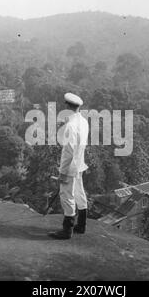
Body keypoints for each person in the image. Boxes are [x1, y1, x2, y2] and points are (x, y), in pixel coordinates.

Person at [48, 93, 89, 240]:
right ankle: (81, 225)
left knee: (67, 195)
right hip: (80, 164)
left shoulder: (70, 125)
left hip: (70, 166)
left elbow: (68, 151)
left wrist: (63, 172)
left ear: (67, 106)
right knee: (79, 192)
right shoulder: (84, 121)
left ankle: (67, 231)